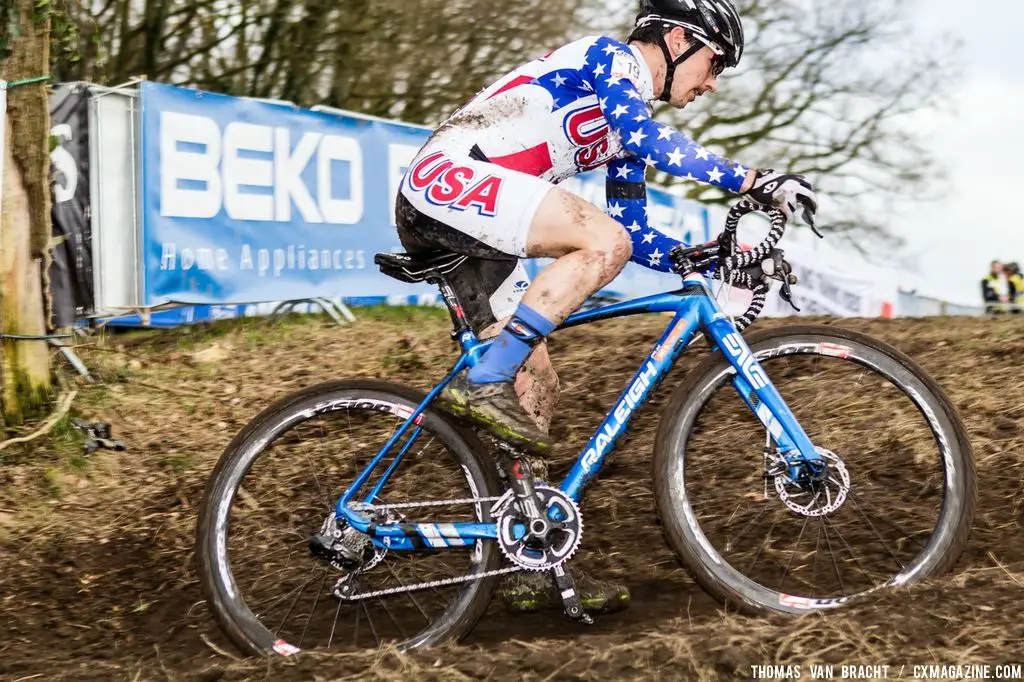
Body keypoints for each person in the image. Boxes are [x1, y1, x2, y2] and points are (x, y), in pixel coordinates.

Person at [394, 0, 817, 614]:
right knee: (595, 251)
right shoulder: (608, 60)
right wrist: (753, 179)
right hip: (450, 179)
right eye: (714, 63)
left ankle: (528, 553)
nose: (712, 82)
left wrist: (697, 259)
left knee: (535, 377)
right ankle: (482, 380)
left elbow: (632, 228)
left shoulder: (622, 124)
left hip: (469, 218)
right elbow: (644, 155)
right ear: (677, 39)